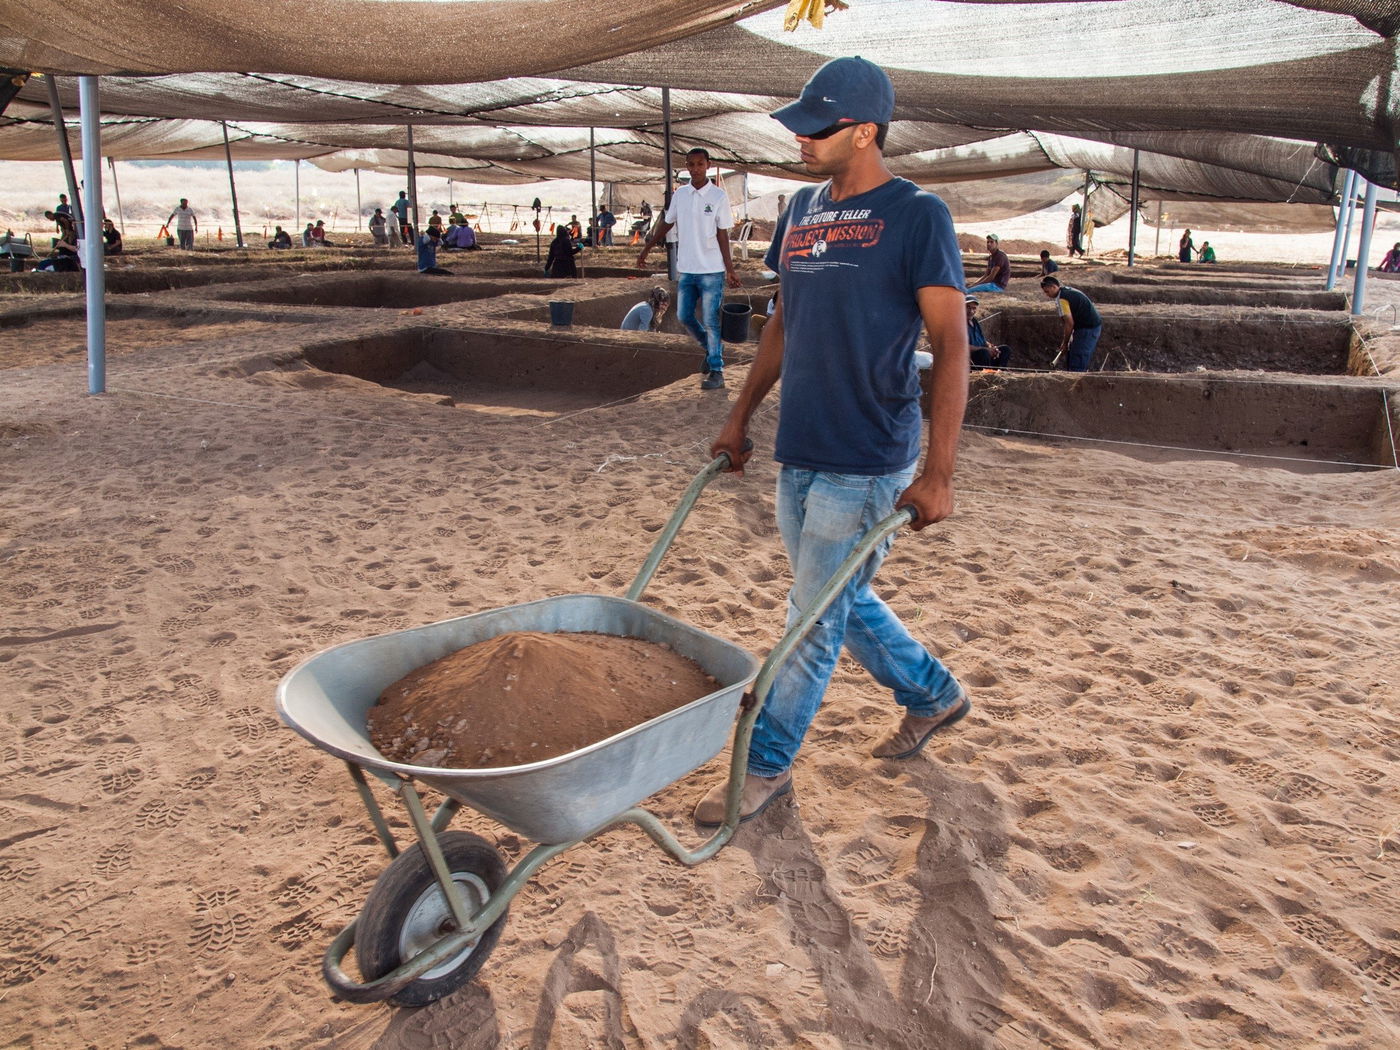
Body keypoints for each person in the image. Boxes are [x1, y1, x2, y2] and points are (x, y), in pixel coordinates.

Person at [691, 56, 971, 826]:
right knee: (832, 598)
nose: (802, 138)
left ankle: (767, 767)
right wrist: (740, 415)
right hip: (800, 445)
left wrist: (939, 470)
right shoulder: (804, 209)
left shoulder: (919, 216)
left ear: (866, 132)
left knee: (810, 619)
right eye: (800, 124)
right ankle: (933, 694)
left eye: (819, 127)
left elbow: (951, 344)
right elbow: (784, 320)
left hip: (870, 452)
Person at [637, 147, 741, 390]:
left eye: (699, 164)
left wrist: (730, 269)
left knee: (711, 320)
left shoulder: (717, 197)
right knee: (684, 315)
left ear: (707, 165)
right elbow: (666, 222)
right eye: (691, 165)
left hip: (712, 269)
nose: (695, 169)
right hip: (687, 268)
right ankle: (712, 347)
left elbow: (722, 234)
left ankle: (716, 370)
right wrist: (647, 247)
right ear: (686, 167)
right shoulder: (680, 195)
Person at [1041, 276, 1102, 372]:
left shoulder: (1062, 299)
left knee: (1078, 357)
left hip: (1088, 328)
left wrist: (1065, 343)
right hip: (1086, 326)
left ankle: (1076, 381)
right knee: (1073, 354)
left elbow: (1069, 323)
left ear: (1053, 287)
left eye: (1047, 291)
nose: (1046, 295)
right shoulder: (1066, 291)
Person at [965, 296, 1011, 369]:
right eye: (968, 307)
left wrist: (992, 348)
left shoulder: (974, 321)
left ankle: (999, 374)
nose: (971, 311)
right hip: (970, 361)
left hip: (984, 357)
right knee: (983, 352)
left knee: (1005, 349)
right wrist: (985, 349)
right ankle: (987, 375)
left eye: (974, 308)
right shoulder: (959, 324)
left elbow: (982, 340)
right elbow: (962, 347)